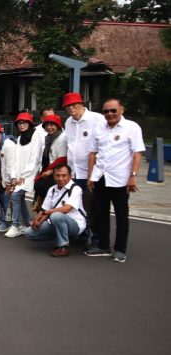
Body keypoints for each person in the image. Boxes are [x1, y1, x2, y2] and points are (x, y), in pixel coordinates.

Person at [84, 98, 145, 263]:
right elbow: (92, 154)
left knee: (121, 215)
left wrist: (133, 176)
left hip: (121, 179)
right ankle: (103, 245)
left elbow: (137, 153)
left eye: (113, 110)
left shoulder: (132, 128)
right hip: (101, 177)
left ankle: (120, 249)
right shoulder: (99, 128)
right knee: (101, 213)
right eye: (106, 111)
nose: (109, 114)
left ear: (122, 110)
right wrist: (91, 176)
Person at [62, 91, 102, 245]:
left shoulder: (96, 119)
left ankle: (98, 238)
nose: (71, 109)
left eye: (73, 105)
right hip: (74, 172)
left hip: (91, 173)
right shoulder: (68, 122)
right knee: (76, 206)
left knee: (93, 206)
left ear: (82, 104)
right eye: (67, 107)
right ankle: (82, 234)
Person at [25, 164, 87, 257]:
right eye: (57, 175)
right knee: (29, 233)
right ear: (53, 176)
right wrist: (37, 221)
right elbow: (45, 209)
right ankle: (62, 238)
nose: (60, 178)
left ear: (70, 176)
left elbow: (66, 209)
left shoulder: (76, 189)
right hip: (56, 222)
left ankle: (63, 247)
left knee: (56, 215)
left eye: (64, 175)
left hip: (75, 224)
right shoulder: (52, 189)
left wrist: (46, 212)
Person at [4, 112, 42, 238]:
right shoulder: (20, 139)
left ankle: (15, 225)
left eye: (24, 123)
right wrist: (14, 176)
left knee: (15, 195)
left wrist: (24, 176)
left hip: (31, 174)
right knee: (18, 197)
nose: (21, 125)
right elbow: (16, 159)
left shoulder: (36, 136)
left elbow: (35, 158)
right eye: (19, 123)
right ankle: (26, 224)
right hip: (20, 175)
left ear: (30, 124)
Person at [32, 114, 67, 213]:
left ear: (58, 126)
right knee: (39, 185)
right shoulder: (49, 137)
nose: (49, 128)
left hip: (57, 169)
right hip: (48, 167)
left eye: (52, 125)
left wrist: (51, 171)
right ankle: (41, 212)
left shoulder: (62, 138)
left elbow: (62, 159)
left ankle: (47, 213)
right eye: (47, 125)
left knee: (46, 189)